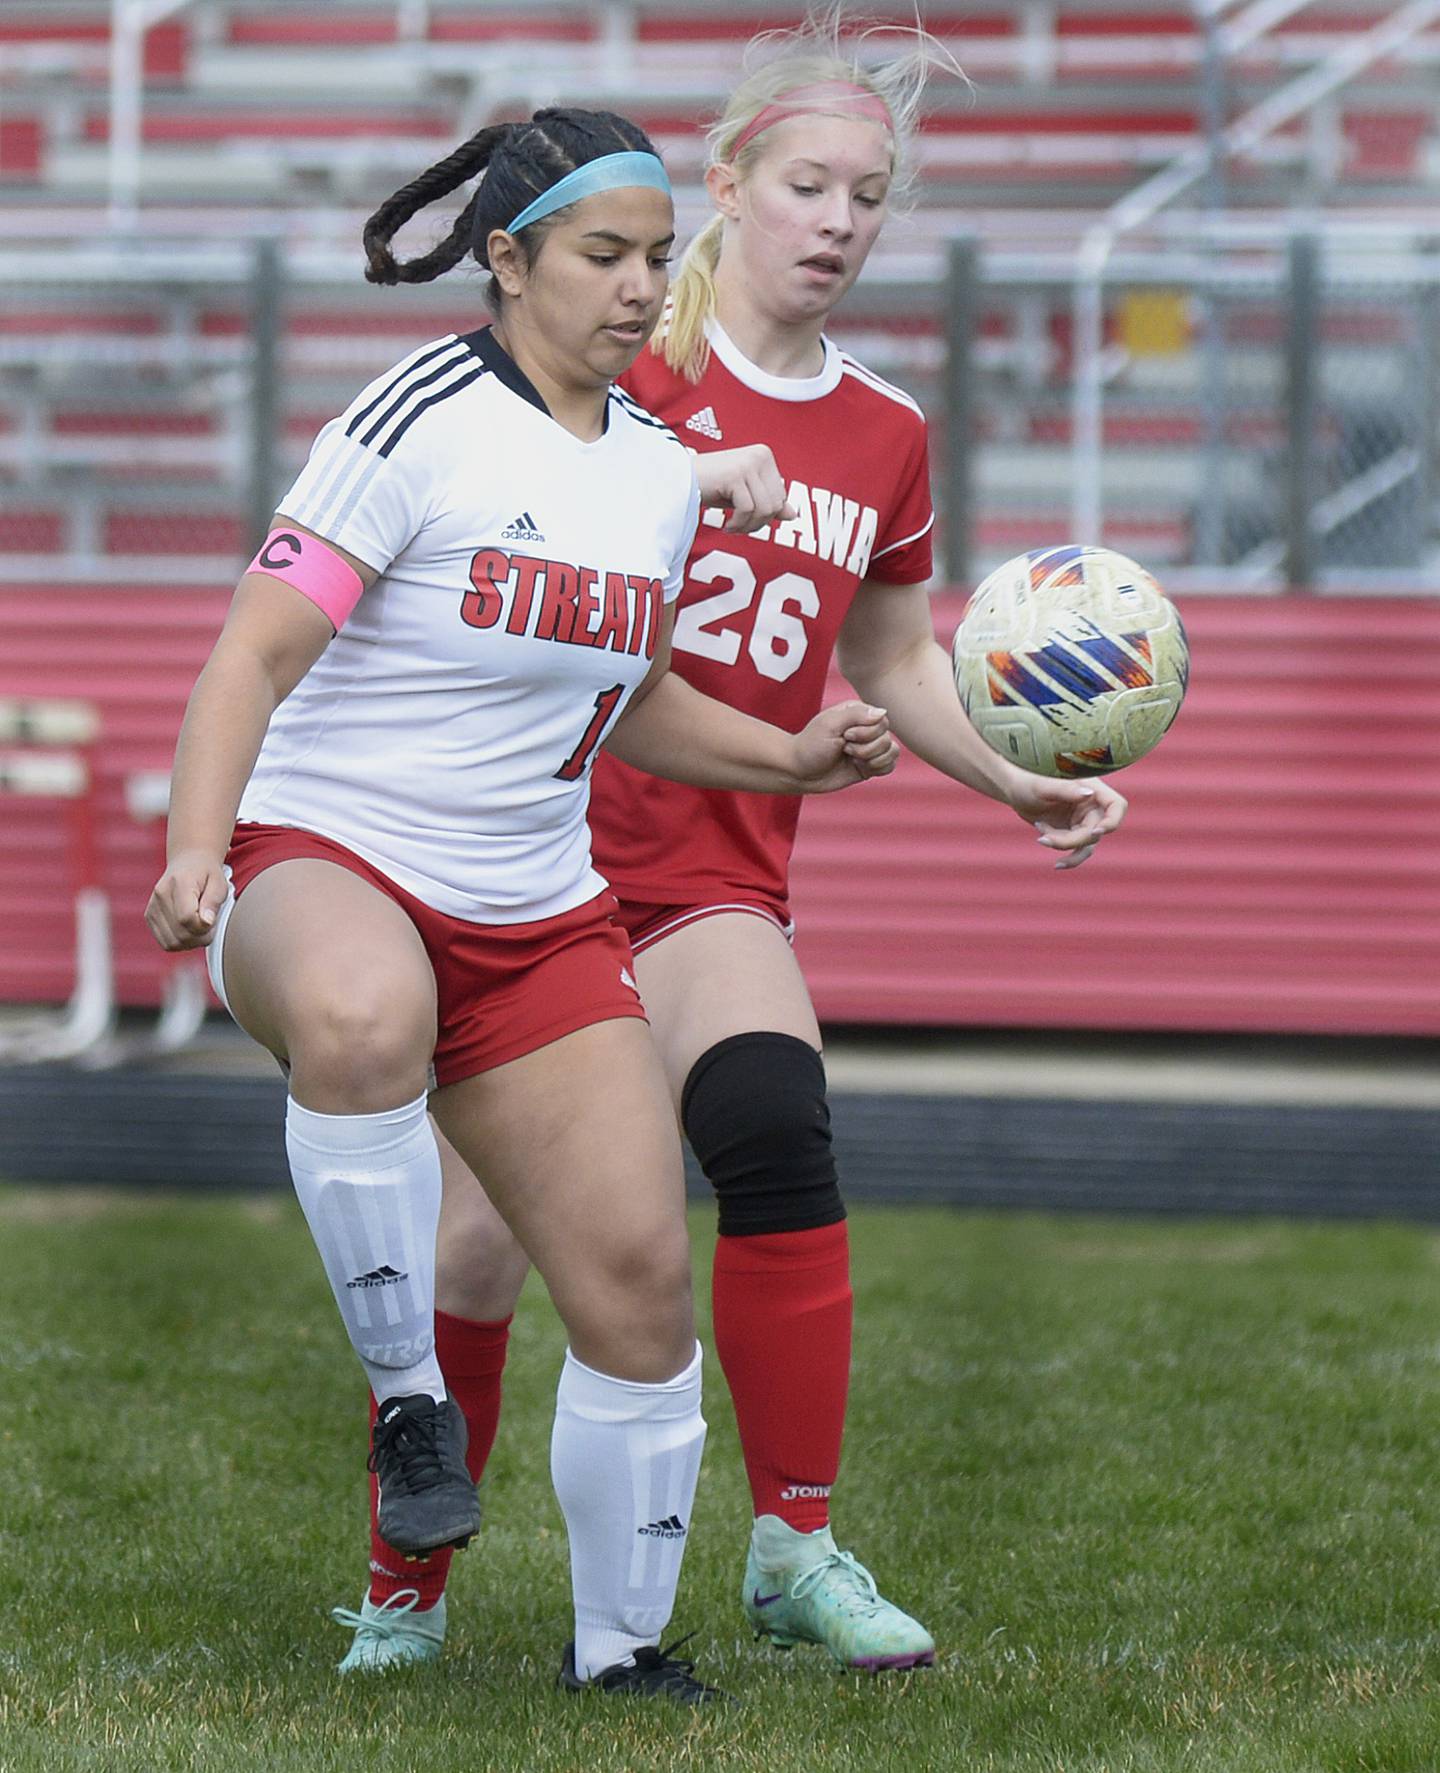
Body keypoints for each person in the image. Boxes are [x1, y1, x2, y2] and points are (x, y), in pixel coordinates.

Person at [334, 14, 1129, 1678]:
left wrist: (1014, 777)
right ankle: (408, 1589)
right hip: (532, 855)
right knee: (476, 1241)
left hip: (710, 880)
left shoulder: (885, 431)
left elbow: (896, 650)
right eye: (810, 185)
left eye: (871, 197)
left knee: (775, 1122)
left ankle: (796, 1547)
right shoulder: (617, 371)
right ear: (728, 186)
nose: (839, 222)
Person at [144, 105, 899, 1705]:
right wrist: (196, 849)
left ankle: (624, 1652)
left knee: (634, 1281)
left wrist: (792, 755)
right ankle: (414, 1399)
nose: (641, 290)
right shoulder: (417, 414)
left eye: (652, 260)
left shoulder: (651, 472)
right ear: (506, 261)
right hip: (327, 863)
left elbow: (617, 704)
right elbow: (253, 654)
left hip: (538, 915)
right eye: (603, 259)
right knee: (362, 1016)